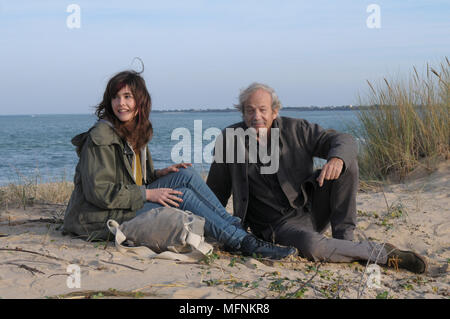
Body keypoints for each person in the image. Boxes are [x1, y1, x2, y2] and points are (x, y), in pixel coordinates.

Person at [63, 70, 297, 260]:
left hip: (124, 203)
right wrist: (149, 192)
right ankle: (242, 242)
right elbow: (100, 193)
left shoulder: (134, 132)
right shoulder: (101, 136)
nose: (121, 104)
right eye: (116, 97)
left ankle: (234, 228)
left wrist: (156, 175)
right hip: (95, 217)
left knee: (184, 173)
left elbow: (128, 178)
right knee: (182, 195)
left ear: (139, 101)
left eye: (127, 97)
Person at [206, 82, 428, 274]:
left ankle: (344, 240)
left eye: (262, 110)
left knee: (345, 162)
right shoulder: (229, 141)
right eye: (249, 110)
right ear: (242, 113)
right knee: (312, 245)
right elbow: (214, 194)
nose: (256, 117)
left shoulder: (297, 129)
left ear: (275, 111)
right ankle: (384, 253)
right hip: (278, 226)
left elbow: (345, 140)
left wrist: (337, 159)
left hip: (313, 208)